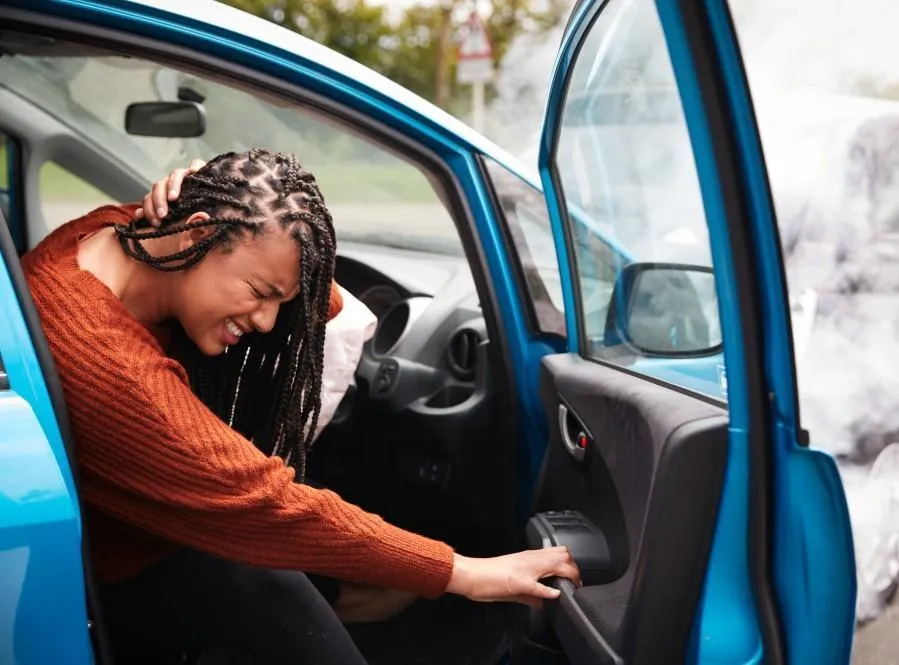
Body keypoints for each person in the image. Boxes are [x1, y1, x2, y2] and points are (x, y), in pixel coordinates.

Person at [22, 148, 580, 664]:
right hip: (114, 576)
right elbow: (266, 501)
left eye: (276, 300)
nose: (266, 320)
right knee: (288, 599)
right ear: (197, 232)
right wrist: (465, 573)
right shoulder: (107, 364)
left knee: (311, 591)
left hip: (145, 537)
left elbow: (318, 300)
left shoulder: (112, 232)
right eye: (259, 292)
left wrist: (208, 202)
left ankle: (376, 595)